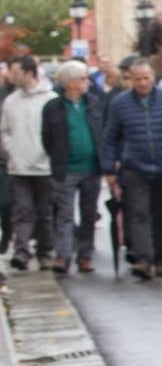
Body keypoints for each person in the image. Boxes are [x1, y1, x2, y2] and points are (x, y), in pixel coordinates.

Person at [103, 58, 162, 280]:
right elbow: (110, 137)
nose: (142, 83)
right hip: (135, 167)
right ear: (130, 79)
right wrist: (109, 168)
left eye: (146, 78)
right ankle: (142, 258)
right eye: (137, 79)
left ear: (153, 77)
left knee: (161, 215)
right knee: (138, 213)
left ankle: (161, 258)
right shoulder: (120, 103)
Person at [41, 61, 109, 275]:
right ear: (70, 83)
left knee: (89, 214)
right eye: (82, 78)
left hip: (92, 168)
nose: (86, 82)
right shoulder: (53, 107)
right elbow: (47, 138)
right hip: (66, 169)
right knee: (65, 215)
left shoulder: (94, 103)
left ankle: (85, 255)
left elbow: (102, 130)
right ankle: (63, 255)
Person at [2, 57, 57, 270]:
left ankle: (45, 251)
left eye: (15, 72)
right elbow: (4, 131)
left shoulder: (50, 99)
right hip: (19, 165)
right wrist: (11, 150)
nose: (11, 76)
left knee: (45, 212)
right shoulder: (11, 101)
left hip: (45, 166)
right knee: (21, 211)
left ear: (29, 73)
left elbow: (56, 133)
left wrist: (50, 154)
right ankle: (22, 251)